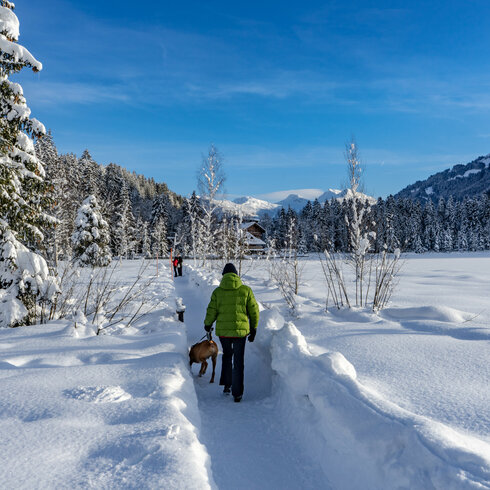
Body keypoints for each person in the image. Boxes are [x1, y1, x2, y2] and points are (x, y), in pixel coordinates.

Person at [204, 263, 259, 403]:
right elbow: (254, 311)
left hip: (224, 333)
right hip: (241, 334)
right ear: (236, 275)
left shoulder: (217, 292)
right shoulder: (246, 290)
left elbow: (212, 310)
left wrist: (208, 324)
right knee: (239, 361)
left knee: (227, 356)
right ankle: (237, 393)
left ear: (224, 276)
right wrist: (254, 328)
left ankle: (227, 385)